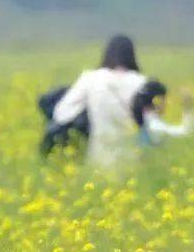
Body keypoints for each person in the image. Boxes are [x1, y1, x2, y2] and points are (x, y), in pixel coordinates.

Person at [50, 34, 152, 169]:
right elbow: (151, 124)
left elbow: (61, 113)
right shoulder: (142, 83)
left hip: (99, 158)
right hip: (133, 159)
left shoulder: (90, 78)